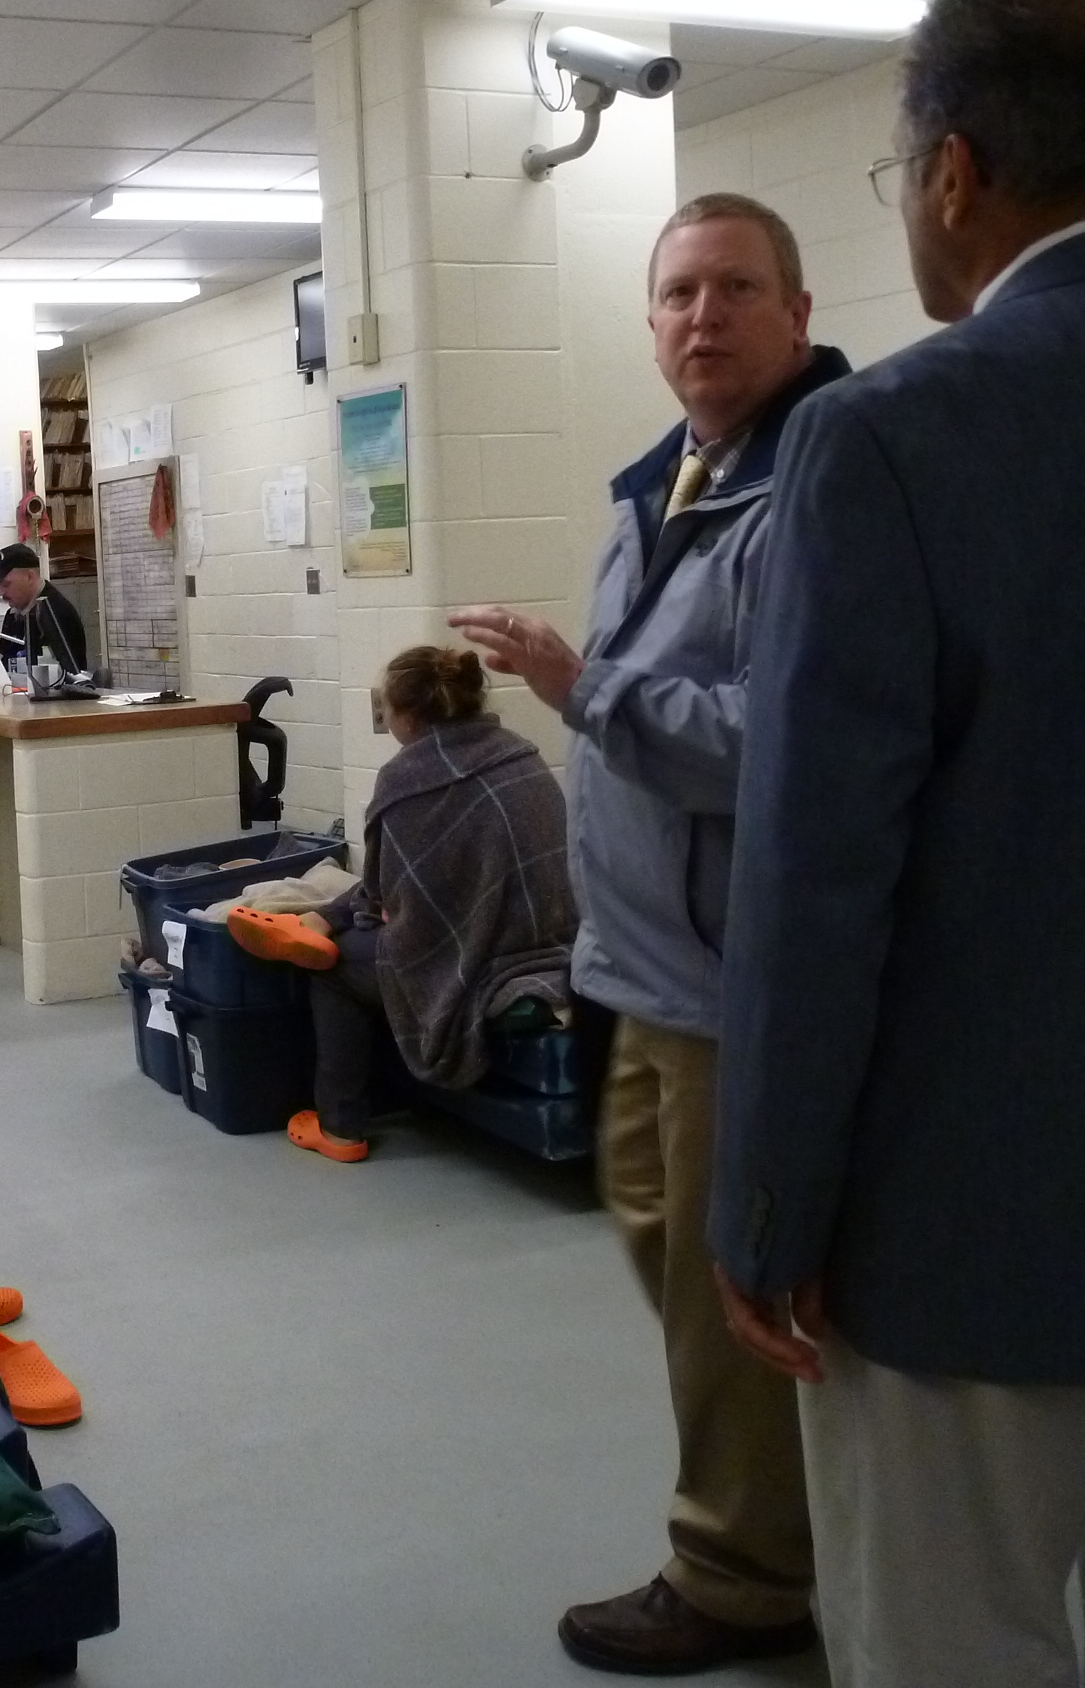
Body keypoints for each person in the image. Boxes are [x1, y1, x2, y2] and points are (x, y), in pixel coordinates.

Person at [711, 0, 1085, 1687]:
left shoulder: (891, 435)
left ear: (956, 173)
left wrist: (771, 1207)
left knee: (949, 1642)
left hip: (959, 1225)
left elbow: (818, 877)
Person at [451, 193, 851, 1675]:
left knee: (719, 1290)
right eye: (678, 293)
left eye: (736, 288)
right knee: (658, 1239)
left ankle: (744, 1574)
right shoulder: (663, 484)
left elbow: (789, 742)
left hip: (733, 982)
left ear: (796, 312)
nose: (702, 317)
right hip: (633, 965)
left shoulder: (820, 490)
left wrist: (581, 686)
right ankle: (785, 1511)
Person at [228, 646, 574, 1164]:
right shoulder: (521, 755)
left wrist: (363, 917)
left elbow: (384, 898)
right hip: (554, 940)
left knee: (333, 966)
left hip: (479, 960)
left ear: (407, 715)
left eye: (384, 707)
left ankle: (340, 1127)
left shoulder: (407, 781)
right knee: (353, 918)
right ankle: (315, 920)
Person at [0, 542, 87, 676]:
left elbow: (71, 674)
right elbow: (5, 666)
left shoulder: (56, 613)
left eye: (6, 584)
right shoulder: (13, 615)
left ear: (30, 577)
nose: (0, 593)